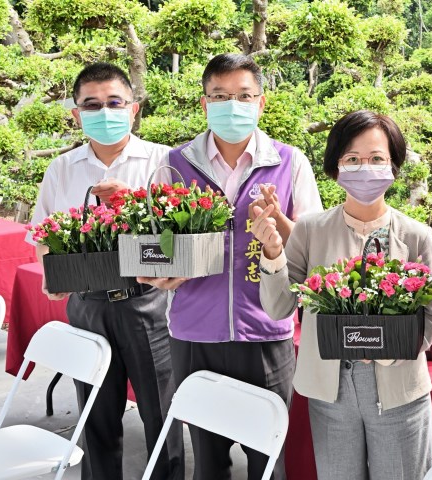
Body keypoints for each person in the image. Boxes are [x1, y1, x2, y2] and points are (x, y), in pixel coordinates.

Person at [138, 53, 322, 480]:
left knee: (268, 462)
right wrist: (162, 273)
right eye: (220, 96)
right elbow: (158, 243)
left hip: (266, 335)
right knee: (208, 461)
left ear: (261, 103)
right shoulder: (175, 164)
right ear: (204, 104)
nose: (232, 106)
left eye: (243, 96)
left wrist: (279, 223)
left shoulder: (290, 162)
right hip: (193, 334)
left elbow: (313, 254)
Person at [253, 110, 432, 480]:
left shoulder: (417, 235)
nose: (365, 168)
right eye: (352, 159)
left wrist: (393, 347)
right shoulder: (310, 230)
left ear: (394, 166)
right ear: (335, 166)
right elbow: (278, 307)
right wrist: (274, 253)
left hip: (399, 391)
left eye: (377, 159)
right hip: (331, 389)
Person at [28, 62, 183, 480]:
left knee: (162, 414)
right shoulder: (60, 168)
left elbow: (179, 236)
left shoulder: (163, 161)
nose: (105, 112)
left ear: (133, 109)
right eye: (92, 105)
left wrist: (131, 202)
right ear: (76, 114)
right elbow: (43, 232)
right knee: (95, 415)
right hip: (86, 306)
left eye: (115, 103)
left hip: (147, 305)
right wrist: (50, 273)